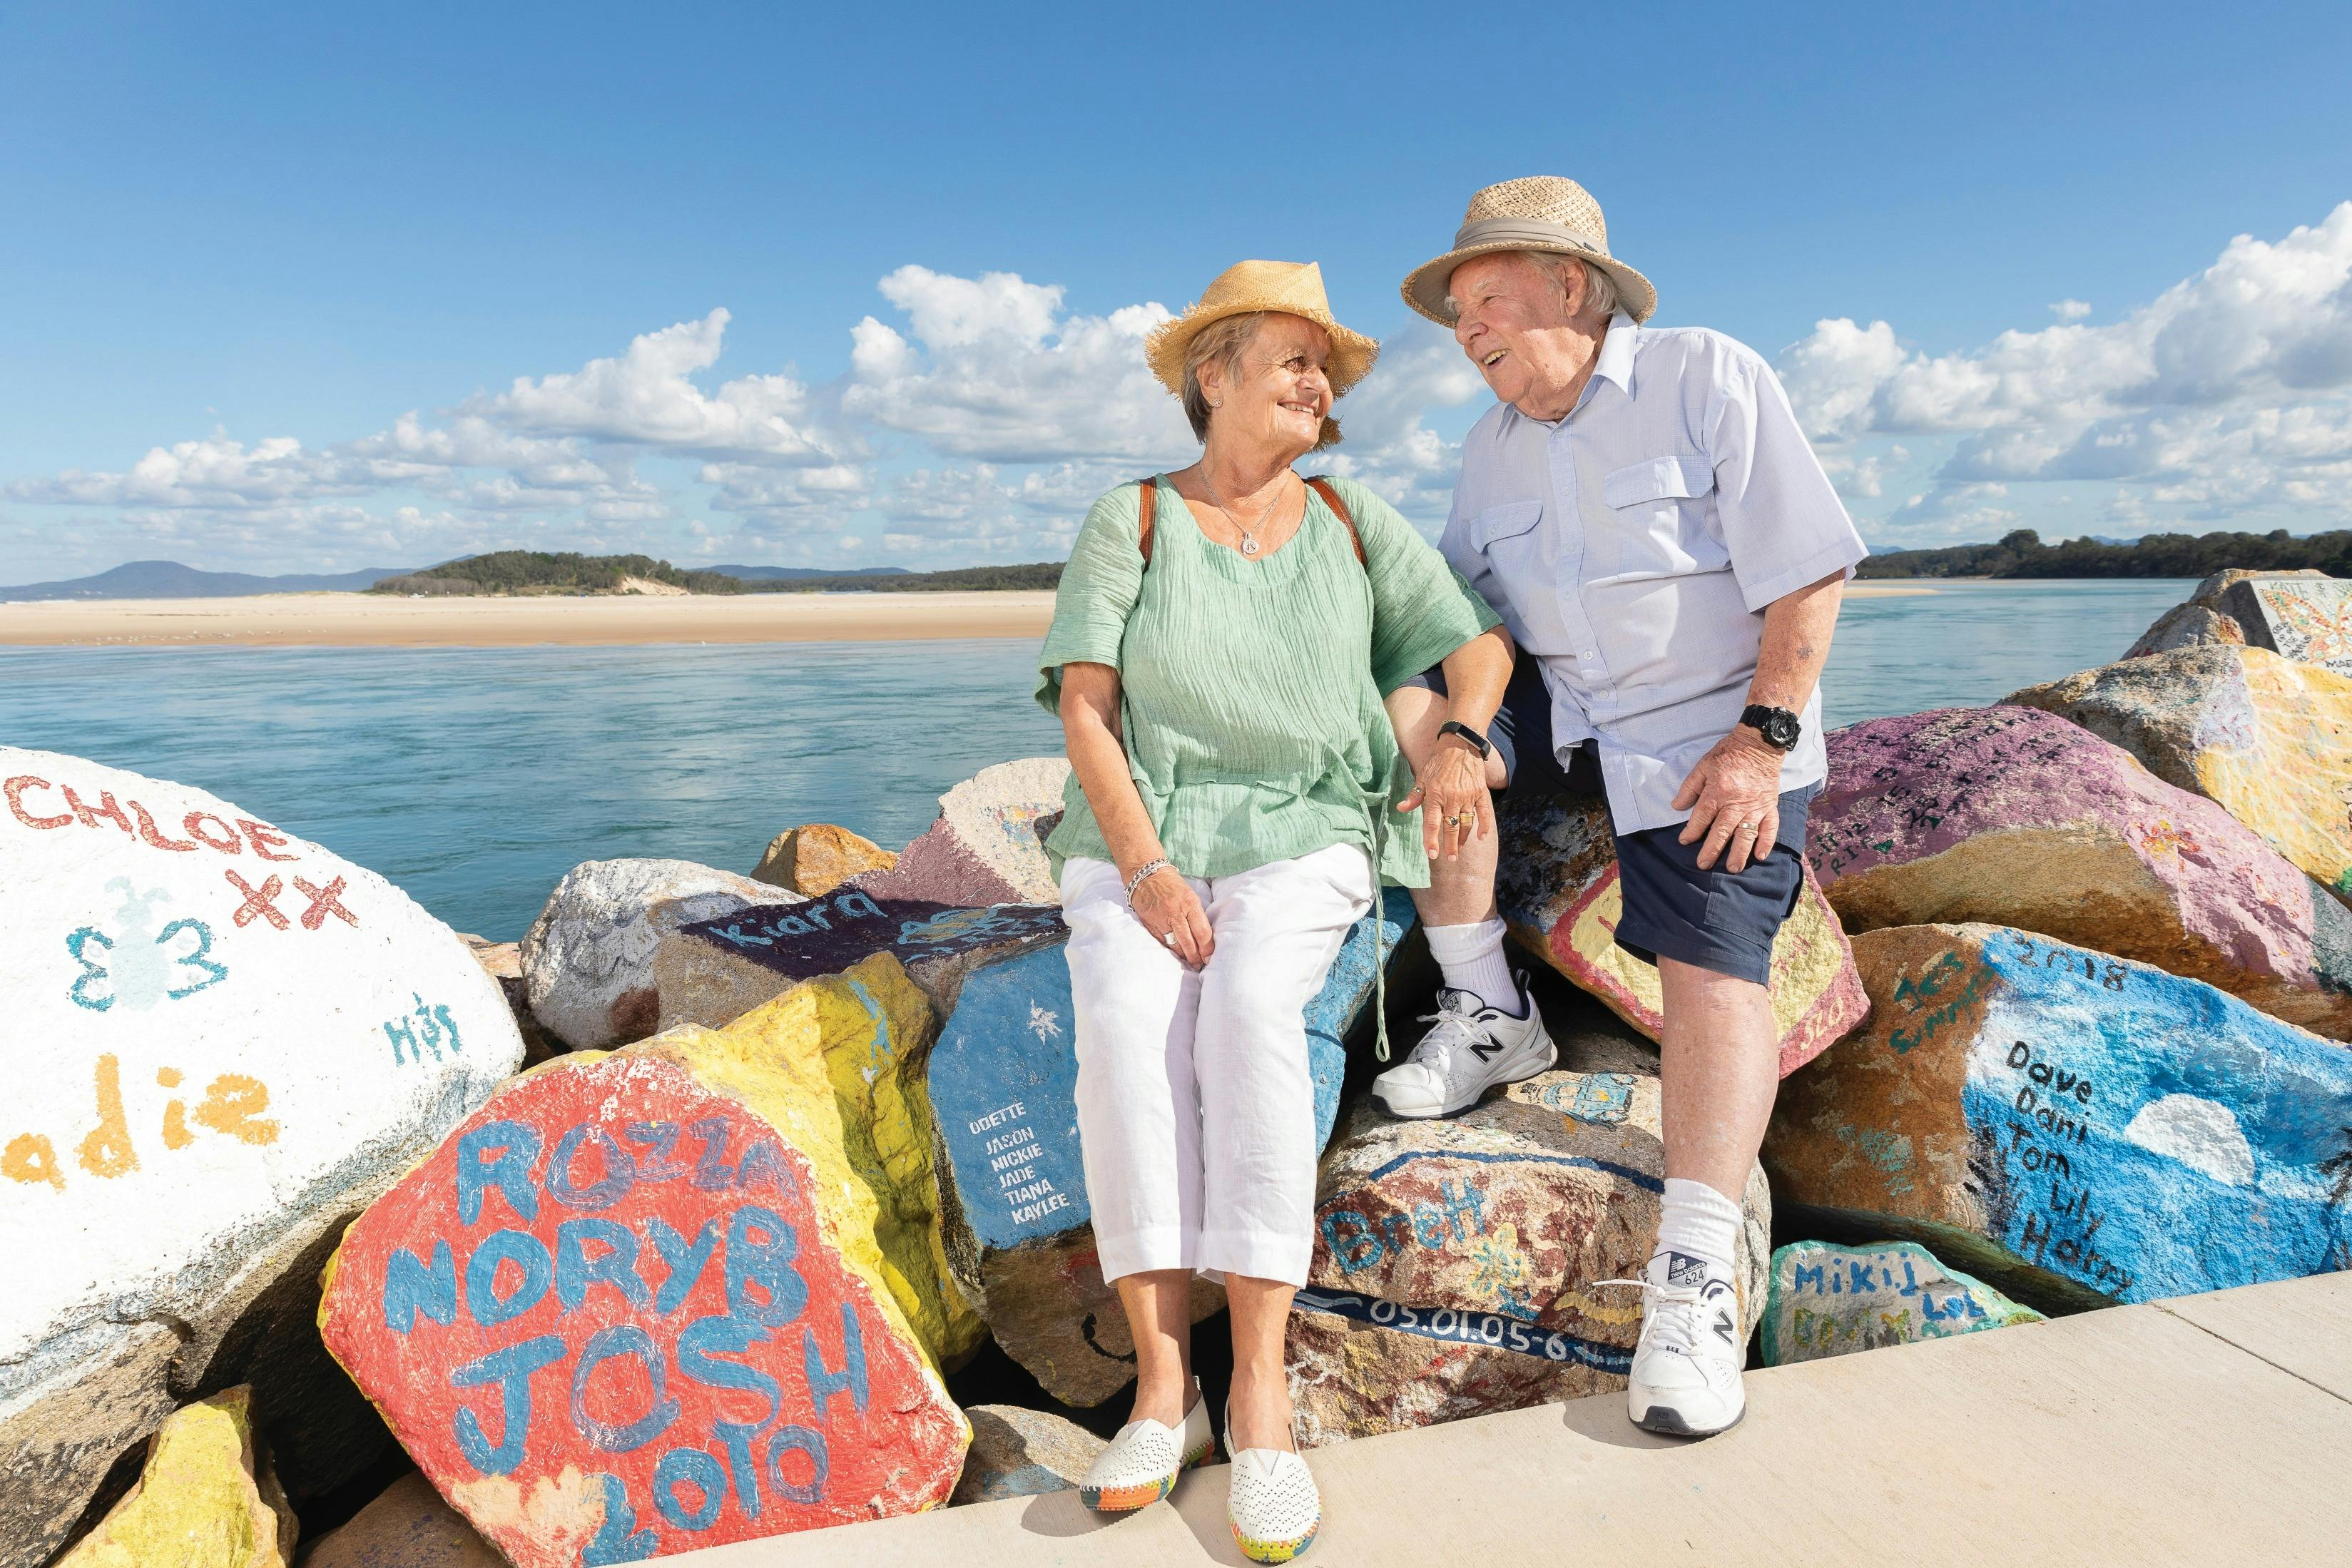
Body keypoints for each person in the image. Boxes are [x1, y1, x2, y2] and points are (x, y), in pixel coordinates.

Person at [1373, 177, 1868, 1437]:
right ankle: (1489, 1008)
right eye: (1457, 311)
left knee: (1711, 968)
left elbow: (1808, 564)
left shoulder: (1704, 375)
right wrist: (1458, 726)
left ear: (1573, 288)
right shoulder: (1488, 448)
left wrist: (1760, 743)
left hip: (1707, 727)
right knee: (1416, 719)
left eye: (1489, 297)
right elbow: (1458, 618)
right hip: (1568, 713)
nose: (1468, 327)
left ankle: (1695, 1278)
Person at [1037, 259, 1509, 1560]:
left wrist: (1461, 738)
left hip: (1304, 830)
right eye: (1291, 358)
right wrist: (1146, 869)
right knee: (1127, 1036)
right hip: (1143, 840)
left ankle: (1257, 1393)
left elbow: (1474, 645)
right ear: (1212, 375)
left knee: (1246, 1019)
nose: (1316, 383)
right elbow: (1087, 707)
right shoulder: (1128, 516)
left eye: (1324, 366)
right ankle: (1159, 1390)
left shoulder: (1352, 517)